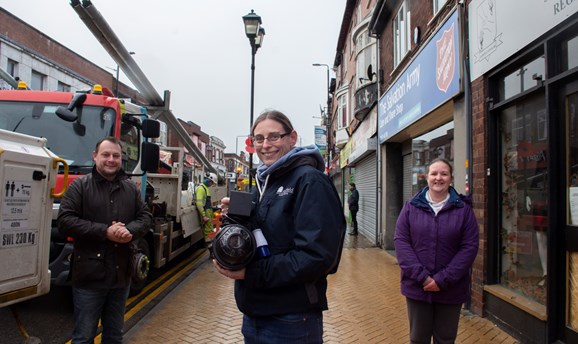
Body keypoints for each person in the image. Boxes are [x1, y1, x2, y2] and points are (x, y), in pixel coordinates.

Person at [213, 110, 345, 344]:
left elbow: (317, 257)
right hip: (254, 313)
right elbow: (265, 236)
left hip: (291, 319)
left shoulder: (310, 181)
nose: (266, 145)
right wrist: (237, 218)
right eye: (259, 139)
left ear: (292, 138)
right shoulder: (265, 182)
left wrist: (251, 274)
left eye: (274, 137)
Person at [57, 137, 152, 344]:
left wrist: (129, 230)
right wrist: (105, 231)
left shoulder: (130, 189)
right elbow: (65, 221)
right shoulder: (79, 187)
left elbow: (145, 217)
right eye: (106, 155)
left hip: (121, 277)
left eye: (116, 156)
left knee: (114, 336)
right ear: (95, 156)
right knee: (84, 337)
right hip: (89, 278)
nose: (111, 160)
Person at [394, 158, 479, 344]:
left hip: (451, 289)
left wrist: (442, 279)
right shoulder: (410, 207)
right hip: (418, 287)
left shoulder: (464, 211)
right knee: (418, 339)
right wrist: (423, 277)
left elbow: (469, 247)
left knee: (446, 339)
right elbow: (401, 243)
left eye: (444, 173)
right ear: (426, 177)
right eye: (434, 173)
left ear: (450, 178)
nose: (438, 178)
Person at [195, 172, 217, 241]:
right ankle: (209, 243)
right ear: (208, 180)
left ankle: (211, 242)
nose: (211, 185)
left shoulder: (205, 188)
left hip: (208, 212)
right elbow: (199, 204)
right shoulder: (201, 189)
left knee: (210, 229)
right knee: (207, 232)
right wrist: (204, 216)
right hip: (206, 213)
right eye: (211, 183)